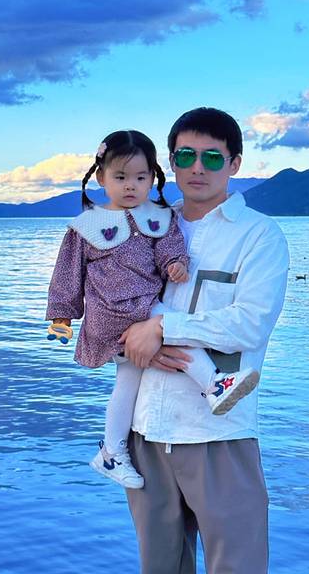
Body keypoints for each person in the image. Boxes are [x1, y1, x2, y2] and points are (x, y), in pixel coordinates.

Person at [121, 108, 290, 574]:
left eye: (212, 157)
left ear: (234, 164)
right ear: (171, 163)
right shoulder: (148, 228)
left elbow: (251, 323)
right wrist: (125, 340)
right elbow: (114, 300)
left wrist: (162, 329)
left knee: (237, 566)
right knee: (159, 567)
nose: (198, 168)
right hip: (147, 429)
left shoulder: (259, 235)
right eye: (186, 156)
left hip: (218, 432)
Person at [45, 129, 260, 490]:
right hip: (112, 312)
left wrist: (175, 263)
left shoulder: (157, 218)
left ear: (153, 177)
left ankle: (111, 452)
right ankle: (214, 383)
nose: (131, 186)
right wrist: (62, 316)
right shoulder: (86, 227)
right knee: (175, 326)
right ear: (101, 178)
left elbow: (169, 247)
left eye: (141, 177)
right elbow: (67, 274)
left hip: (142, 304)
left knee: (127, 383)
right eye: (120, 177)